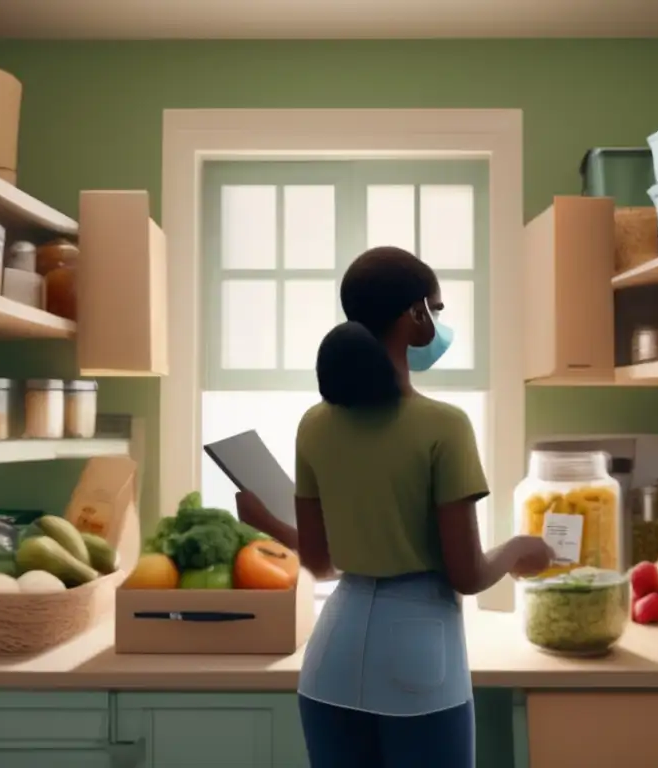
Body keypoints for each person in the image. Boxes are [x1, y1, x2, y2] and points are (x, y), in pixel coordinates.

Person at [235, 245, 553, 768]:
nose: (439, 322)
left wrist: (268, 523)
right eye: (437, 308)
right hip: (419, 662)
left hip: (330, 661)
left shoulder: (315, 423)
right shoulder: (444, 426)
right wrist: (522, 547)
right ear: (414, 314)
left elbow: (320, 564)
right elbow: (467, 573)